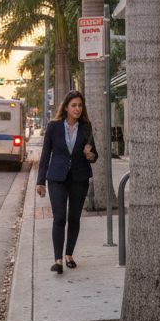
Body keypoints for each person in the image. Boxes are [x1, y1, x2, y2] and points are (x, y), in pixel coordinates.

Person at [36, 90, 98, 274]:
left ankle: (69, 255)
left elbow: (95, 156)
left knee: (74, 218)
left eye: (80, 105)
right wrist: (40, 181)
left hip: (79, 178)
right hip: (57, 178)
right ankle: (57, 260)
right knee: (60, 217)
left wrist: (90, 154)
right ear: (66, 107)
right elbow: (46, 154)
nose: (77, 109)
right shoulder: (54, 126)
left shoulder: (86, 127)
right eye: (74, 105)